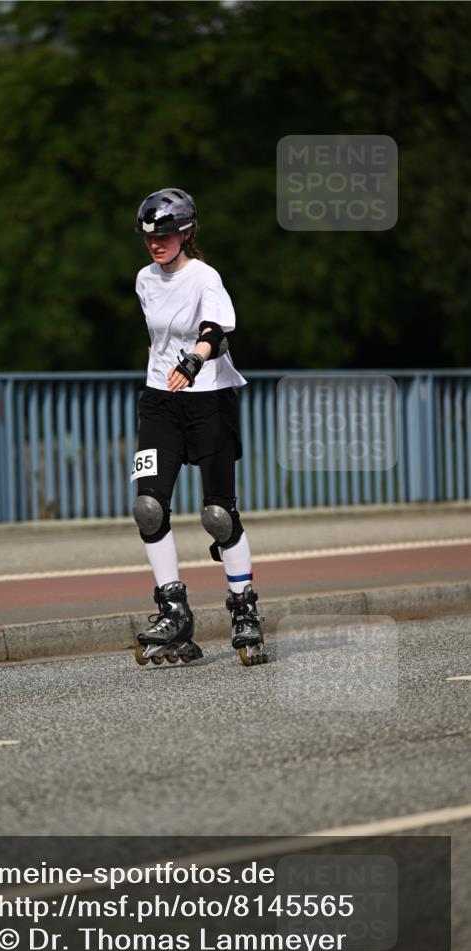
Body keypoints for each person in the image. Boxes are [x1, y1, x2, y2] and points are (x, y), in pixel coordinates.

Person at [132, 187, 267, 666]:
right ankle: (174, 612)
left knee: (218, 514)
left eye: (166, 234)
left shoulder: (205, 276)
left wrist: (194, 359)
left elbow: (217, 329)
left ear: (186, 233)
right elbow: (156, 340)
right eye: (150, 235)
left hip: (209, 398)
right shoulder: (145, 280)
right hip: (161, 401)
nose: (157, 242)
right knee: (148, 507)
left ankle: (244, 610)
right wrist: (165, 371)